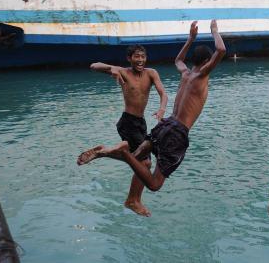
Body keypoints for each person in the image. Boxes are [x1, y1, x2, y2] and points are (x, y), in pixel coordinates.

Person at [77, 20, 226, 215]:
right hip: (177, 131)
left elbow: (178, 60)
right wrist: (215, 32)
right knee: (154, 183)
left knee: (139, 158)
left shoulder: (185, 73)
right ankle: (123, 153)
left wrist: (190, 39)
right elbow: (221, 50)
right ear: (207, 62)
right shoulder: (202, 75)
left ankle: (124, 185)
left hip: (165, 124)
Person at [85, 45, 168, 216]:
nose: (140, 60)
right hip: (128, 122)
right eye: (136, 56)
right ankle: (133, 200)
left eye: (143, 57)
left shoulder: (151, 73)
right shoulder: (123, 71)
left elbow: (163, 93)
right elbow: (94, 66)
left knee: (137, 159)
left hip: (141, 123)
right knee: (144, 163)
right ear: (129, 58)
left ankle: (102, 153)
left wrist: (161, 109)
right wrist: (112, 70)